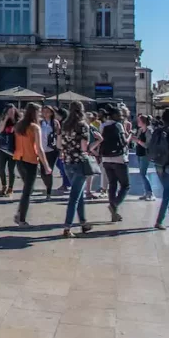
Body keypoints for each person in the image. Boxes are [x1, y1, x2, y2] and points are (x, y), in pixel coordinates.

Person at [57, 101, 94, 238]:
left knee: (79, 194)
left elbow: (59, 144)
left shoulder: (64, 125)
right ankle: (67, 227)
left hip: (67, 162)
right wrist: (91, 146)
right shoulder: (83, 126)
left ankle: (84, 223)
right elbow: (84, 147)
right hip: (80, 163)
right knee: (74, 197)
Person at [12, 103, 52, 227]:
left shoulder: (19, 125)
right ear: (34, 113)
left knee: (27, 189)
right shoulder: (35, 127)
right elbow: (39, 149)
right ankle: (22, 219)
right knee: (27, 192)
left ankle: (19, 214)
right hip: (30, 161)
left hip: (19, 159)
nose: (40, 114)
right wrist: (46, 166)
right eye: (39, 112)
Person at [97, 104, 131, 222]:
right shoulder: (118, 125)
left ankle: (114, 214)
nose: (121, 116)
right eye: (119, 114)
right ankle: (114, 205)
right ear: (114, 115)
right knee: (125, 185)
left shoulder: (102, 125)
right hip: (119, 158)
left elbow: (100, 141)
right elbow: (124, 143)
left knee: (112, 184)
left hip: (106, 159)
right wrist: (130, 137)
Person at [0, 104, 18, 197]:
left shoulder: (18, 121)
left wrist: (14, 120)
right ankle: (4, 186)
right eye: (9, 111)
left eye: (12, 111)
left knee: (11, 169)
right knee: (1, 168)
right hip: (3, 148)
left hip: (13, 149)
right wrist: (5, 119)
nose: (10, 113)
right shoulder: (4, 120)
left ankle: (10, 188)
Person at [40, 105, 60, 199]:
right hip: (41, 150)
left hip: (52, 150)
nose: (46, 113)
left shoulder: (55, 123)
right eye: (44, 111)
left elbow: (59, 135)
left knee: (49, 170)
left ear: (52, 113)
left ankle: (48, 192)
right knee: (43, 172)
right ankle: (47, 184)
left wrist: (60, 149)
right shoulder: (40, 123)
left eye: (48, 111)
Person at [133, 115, 155, 201]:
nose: (137, 122)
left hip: (145, 154)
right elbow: (138, 141)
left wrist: (137, 140)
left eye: (139, 121)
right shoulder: (140, 130)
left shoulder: (149, 131)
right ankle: (146, 193)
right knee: (142, 174)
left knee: (143, 173)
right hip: (139, 153)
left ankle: (150, 193)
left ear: (143, 122)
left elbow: (147, 145)